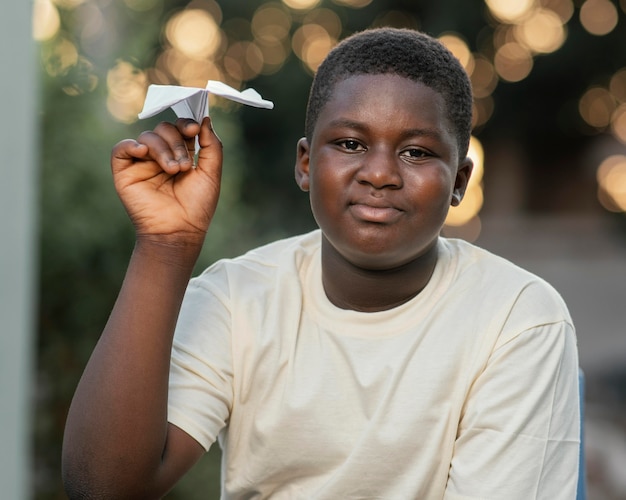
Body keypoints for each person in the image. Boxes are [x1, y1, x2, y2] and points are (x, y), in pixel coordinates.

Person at [62, 27, 580, 499]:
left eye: (417, 153)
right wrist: (164, 247)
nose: (379, 174)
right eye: (350, 144)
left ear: (460, 183)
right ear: (306, 164)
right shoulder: (235, 297)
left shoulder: (518, 319)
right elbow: (103, 487)